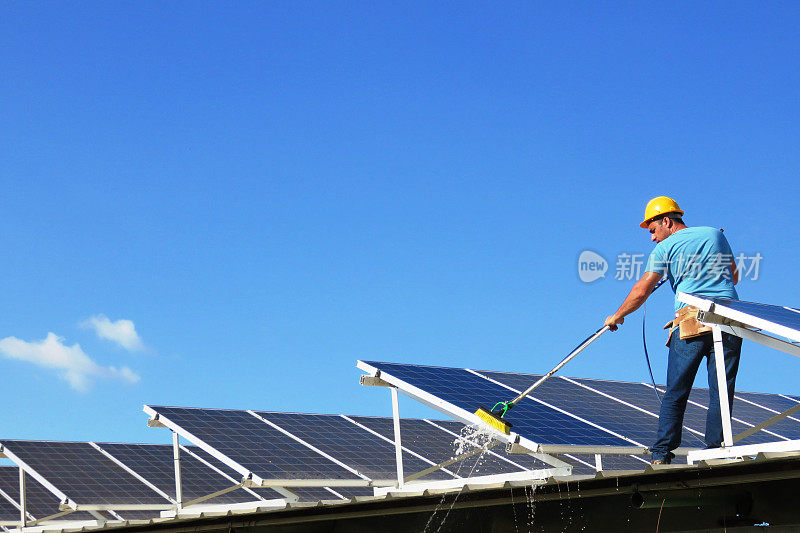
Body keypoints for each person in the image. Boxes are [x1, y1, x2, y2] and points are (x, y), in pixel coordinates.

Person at [603, 196, 741, 464]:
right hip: (729, 320)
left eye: (653, 230)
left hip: (691, 320)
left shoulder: (663, 251)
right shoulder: (715, 235)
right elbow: (733, 276)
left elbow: (642, 290)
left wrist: (617, 316)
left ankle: (661, 454)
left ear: (667, 221)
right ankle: (717, 449)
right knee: (722, 390)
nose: (652, 239)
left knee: (676, 390)